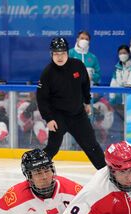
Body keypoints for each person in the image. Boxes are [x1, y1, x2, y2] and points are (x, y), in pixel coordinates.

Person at [37, 37, 106, 170]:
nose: (59, 57)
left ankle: (107, 175)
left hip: (78, 115)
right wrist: (49, 119)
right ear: (51, 54)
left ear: (67, 53)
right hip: (58, 117)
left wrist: (87, 102)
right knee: (52, 148)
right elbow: (42, 98)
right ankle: (36, 171)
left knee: (91, 146)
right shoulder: (47, 73)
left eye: (62, 53)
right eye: (56, 54)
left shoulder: (78, 66)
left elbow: (85, 85)